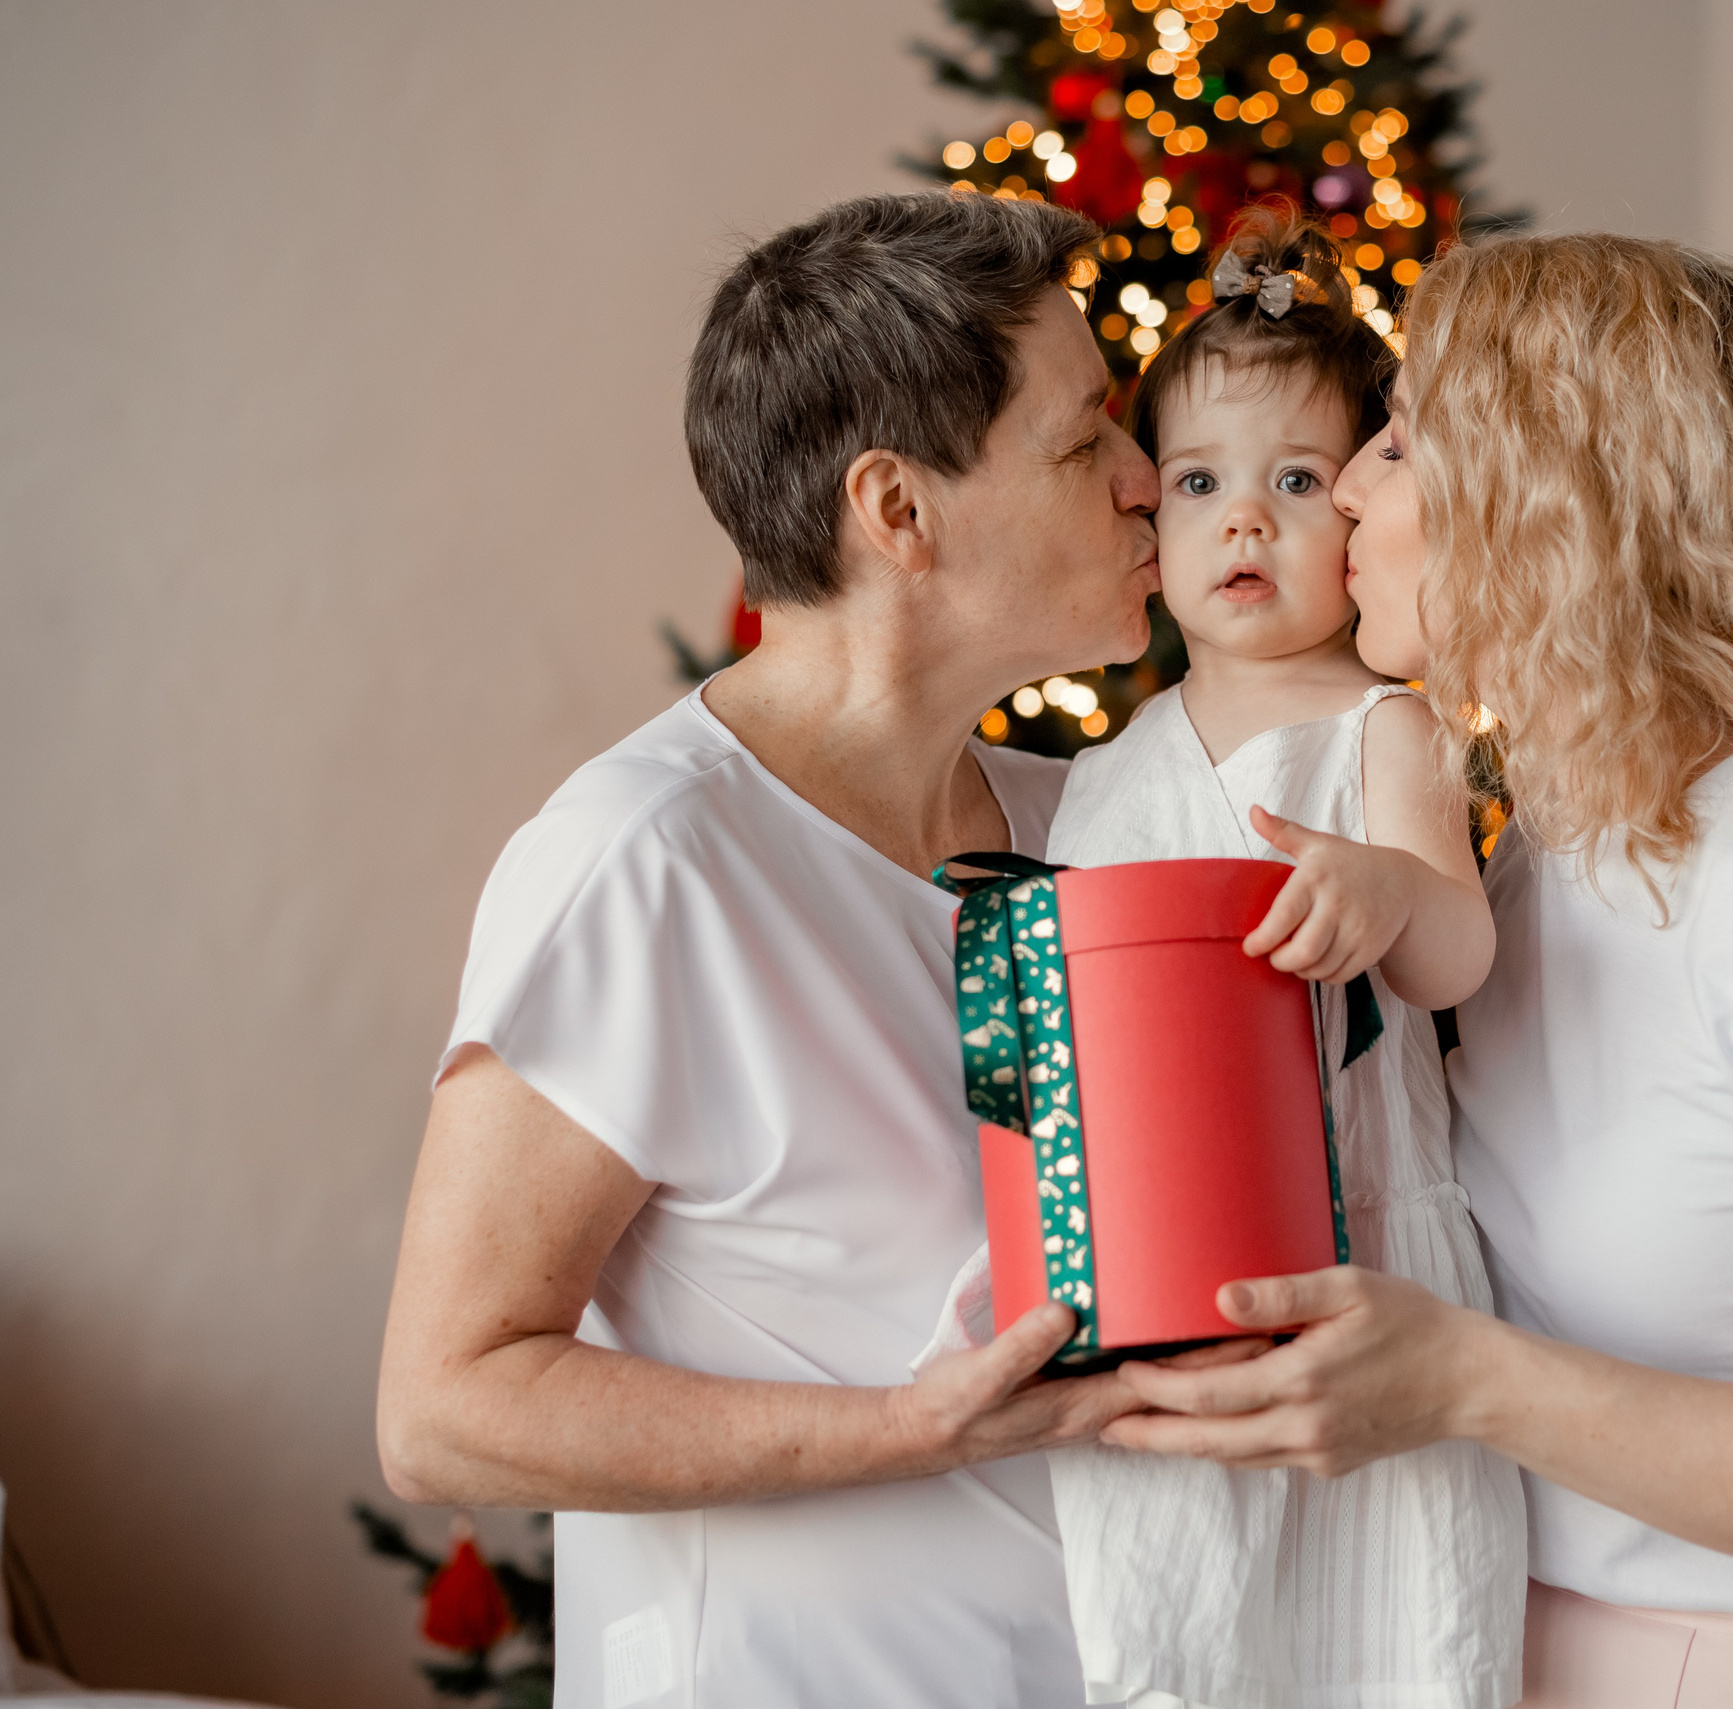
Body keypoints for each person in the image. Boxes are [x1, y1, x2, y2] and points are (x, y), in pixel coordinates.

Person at [1104, 234, 1733, 1709]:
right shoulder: (1547, 847)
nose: (1345, 488)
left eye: (1399, 443)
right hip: (1504, 1646)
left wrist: (1461, 1378)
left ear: (1556, 500)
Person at [374, 191, 1163, 1708]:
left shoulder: (1099, 826)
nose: (1146, 479)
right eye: (1084, 444)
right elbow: (443, 1407)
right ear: (899, 511)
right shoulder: (639, 862)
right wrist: (913, 1430)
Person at [994, 212, 1526, 1709]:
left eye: (1297, 482)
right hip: (1160, 1251)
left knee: (1385, 1618)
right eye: (1201, 483)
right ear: (1149, 519)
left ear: (1360, 512)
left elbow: (1460, 956)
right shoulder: (1107, 769)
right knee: (1178, 1617)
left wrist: (1390, 892)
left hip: (1365, 1236)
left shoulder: (1384, 729)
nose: (1246, 523)